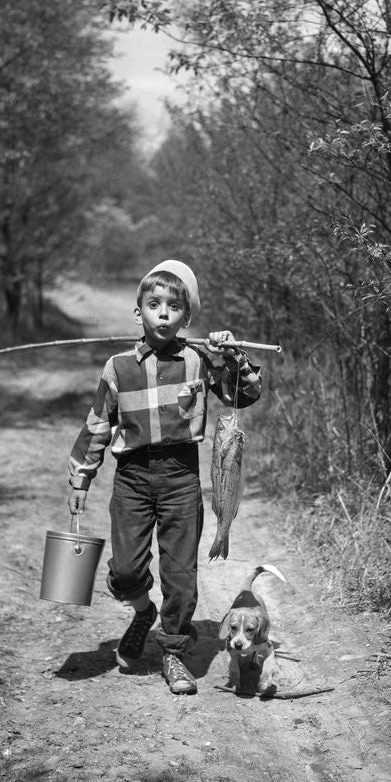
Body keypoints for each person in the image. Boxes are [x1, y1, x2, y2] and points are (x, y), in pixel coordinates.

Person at [67, 259, 262, 694]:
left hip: (180, 478)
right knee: (126, 570)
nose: (163, 314)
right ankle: (141, 612)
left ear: (186, 317)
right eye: (153, 304)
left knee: (181, 576)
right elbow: (97, 425)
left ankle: (173, 652)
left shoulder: (198, 360)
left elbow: (244, 393)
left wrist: (232, 355)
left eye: (174, 307)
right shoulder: (118, 367)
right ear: (138, 312)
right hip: (132, 478)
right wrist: (81, 480)